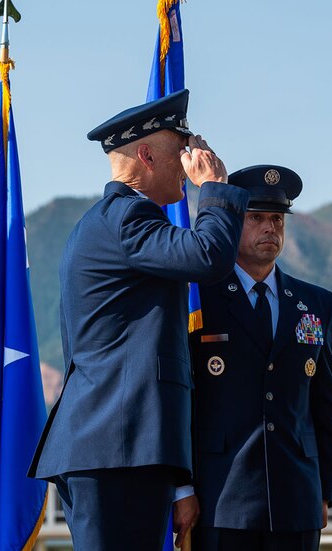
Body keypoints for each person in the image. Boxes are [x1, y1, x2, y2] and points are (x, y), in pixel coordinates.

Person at [28, 89, 249, 550]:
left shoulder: (115, 220)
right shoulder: (128, 218)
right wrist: (214, 190)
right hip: (113, 444)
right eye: (180, 150)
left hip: (122, 445)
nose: (187, 162)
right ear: (147, 154)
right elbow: (207, 256)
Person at [188, 165, 332, 551]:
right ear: (231, 222)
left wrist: (325, 488)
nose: (270, 228)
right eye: (256, 218)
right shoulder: (198, 299)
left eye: (277, 218)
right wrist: (181, 487)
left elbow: (325, 404)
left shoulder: (316, 302)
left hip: (297, 500)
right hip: (222, 498)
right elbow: (182, 401)